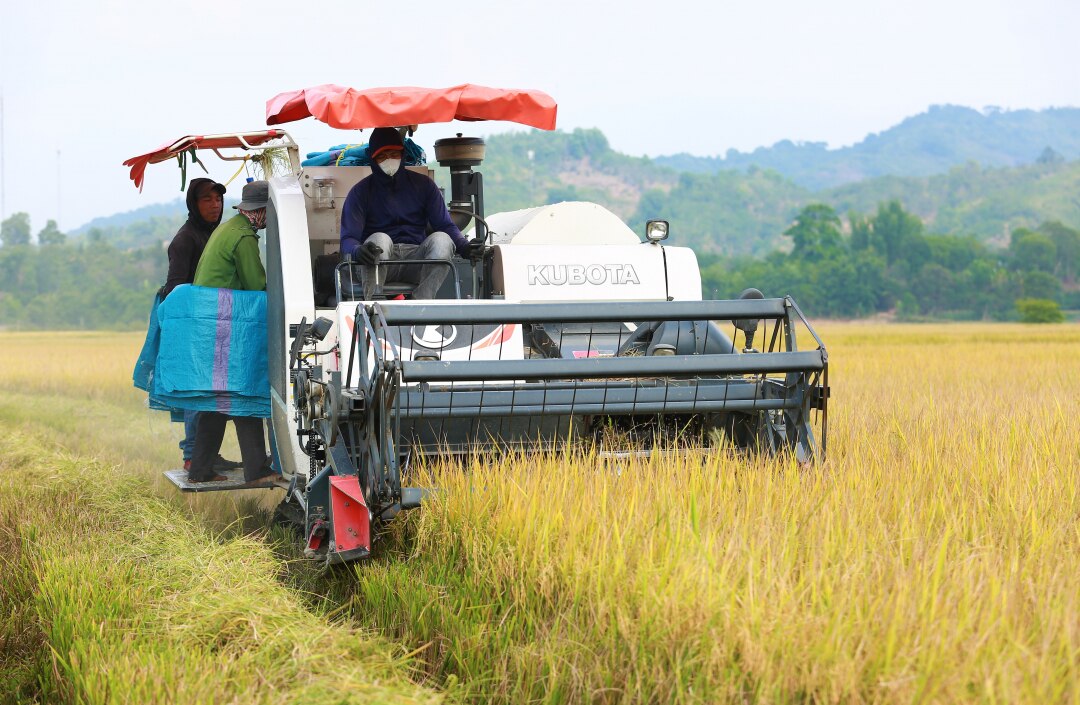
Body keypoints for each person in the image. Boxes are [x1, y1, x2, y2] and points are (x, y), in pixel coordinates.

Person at [188, 180, 275, 486]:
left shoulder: (229, 228)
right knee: (242, 393)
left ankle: (199, 470)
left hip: (212, 322)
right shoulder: (244, 238)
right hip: (223, 324)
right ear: (262, 212)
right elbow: (256, 287)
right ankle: (257, 470)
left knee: (220, 399)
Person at [340, 127, 483, 299]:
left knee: (442, 240)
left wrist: (465, 247)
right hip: (379, 261)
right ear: (372, 158)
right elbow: (347, 238)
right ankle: (374, 306)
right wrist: (358, 251)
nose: (389, 160)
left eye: (394, 154)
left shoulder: (424, 186)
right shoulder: (360, 192)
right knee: (380, 239)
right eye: (382, 156)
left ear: (403, 154)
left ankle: (421, 305)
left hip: (416, 262)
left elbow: (445, 225)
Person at [163, 178, 242, 475]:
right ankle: (193, 456)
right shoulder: (185, 240)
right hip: (193, 324)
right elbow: (175, 289)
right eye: (207, 200)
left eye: (218, 199)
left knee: (209, 391)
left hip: (212, 322)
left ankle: (206, 454)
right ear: (193, 205)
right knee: (198, 391)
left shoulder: (215, 234)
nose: (214, 205)